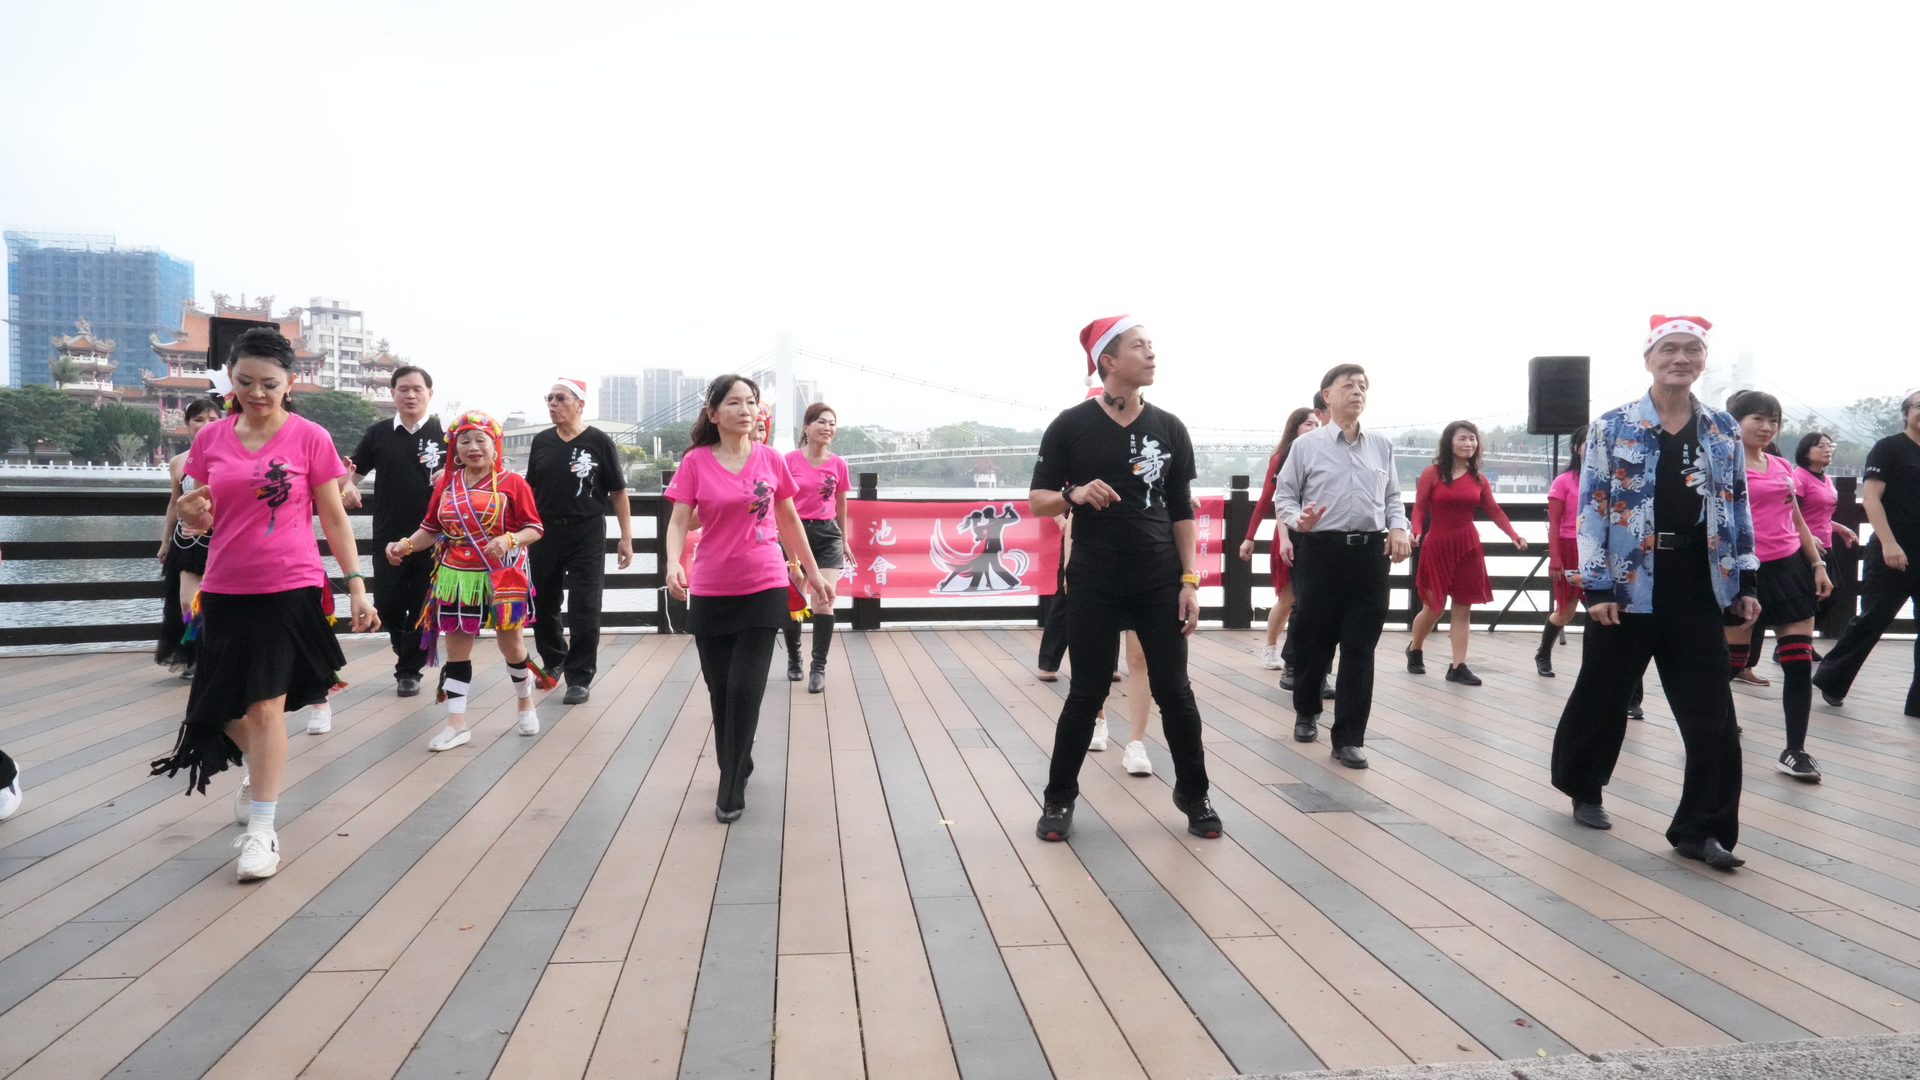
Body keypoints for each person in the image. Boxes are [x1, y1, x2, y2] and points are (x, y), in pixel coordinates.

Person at [150, 327, 379, 883]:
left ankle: (262, 830)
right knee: (221, 709)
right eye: (245, 381)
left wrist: (356, 584)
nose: (257, 392)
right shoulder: (211, 439)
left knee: (264, 708)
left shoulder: (309, 437)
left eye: (270, 384)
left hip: (288, 587)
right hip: (224, 588)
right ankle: (258, 769)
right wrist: (191, 517)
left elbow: (334, 517)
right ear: (230, 379)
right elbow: (201, 513)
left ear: (289, 383)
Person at [1549, 315, 1757, 871]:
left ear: (1703, 360)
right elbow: (1591, 508)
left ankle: (1703, 829)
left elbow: (1736, 505)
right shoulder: (1613, 426)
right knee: (1604, 694)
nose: (1680, 358)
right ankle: (1583, 785)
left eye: (1692, 349)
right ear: (1649, 359)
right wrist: (1596, 585)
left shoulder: (1721, 429)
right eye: (1669, 349)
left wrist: (1745, 579)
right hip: (1626, 583)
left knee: (1712, 714)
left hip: (1697, 581)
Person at [1028, 315, 1219, 842]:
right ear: (1108, 361)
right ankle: (1059, 799)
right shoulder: (1070, 425)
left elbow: (1181, 509)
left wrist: (1189, 580)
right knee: (1086, 691)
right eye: (1140, 346)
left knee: (1175, 691)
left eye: (1152, 345)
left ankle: (1194, 793)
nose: (1152, 354)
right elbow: (1038, 499)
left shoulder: (1169, 427)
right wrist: (1073, 494)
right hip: (1094, 577)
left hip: (1159, 578)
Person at [665, 375, 833, 822]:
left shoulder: (771, 459)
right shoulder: (695, 462)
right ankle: (738, 759)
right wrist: (673, 563)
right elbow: (679, 521)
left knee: (744, 688)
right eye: (734, 403)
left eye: (751, 402)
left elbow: (790, 521)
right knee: (720, 689)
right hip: (711, 588)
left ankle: (731, 785)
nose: (745, 410)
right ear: (713, 413)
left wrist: (813, 573)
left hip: (763, 584)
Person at [387, 410, 552, 751]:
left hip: (501, 573)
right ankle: (456, 723)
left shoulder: (513, 483)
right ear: (455, 448)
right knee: (456, 650)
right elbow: (430, 528)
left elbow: (534, 528)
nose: (473, 447)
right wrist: (405, 545)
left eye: (481, 440)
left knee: (512, 646)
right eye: (464, 441)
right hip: (455, 575)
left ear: (495, 446)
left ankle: (525, 702)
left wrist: (509, 539)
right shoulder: (446, 484)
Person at [1274, 364, 1410, 768]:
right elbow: (1284, 497)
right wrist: (1299, 521)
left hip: (1370, 556)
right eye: (1348, 385)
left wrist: (1398, 527)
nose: (1357, 391)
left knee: (1360, 646)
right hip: (1322, 551)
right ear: (1327, 396)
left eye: (1362, 386)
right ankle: (1306, 710)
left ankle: (1349, 737)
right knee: (1314, 640)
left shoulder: (1381, 445)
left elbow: (1393, 497)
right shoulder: (1306, 446)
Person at [1722, 391, 1832, 781]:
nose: (1768, 427)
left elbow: (1796, 519)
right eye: (1758, 419)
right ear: (1734, 422)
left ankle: (1795, 750)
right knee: (1733, 663)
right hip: (1743, 573)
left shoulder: (1783, 465)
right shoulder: (1722, 466)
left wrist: (1817, 564)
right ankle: (1713, 725)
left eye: (1774, 420)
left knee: (1798, 663)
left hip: (1789, 569)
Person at [526, 378, 633, 705]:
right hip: (545, 531)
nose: (553, 404)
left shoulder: (599, 441)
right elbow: (530, 490)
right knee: (544, 602)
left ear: (580, 404)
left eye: (560, 398)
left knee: (585, 605)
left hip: (587, 531)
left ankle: (580, 676)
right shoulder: (541, 441)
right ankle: (554, 659)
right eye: (549, 398)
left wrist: (626, 537)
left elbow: (618, 491)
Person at [342, 365, 445, 698]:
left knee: (421, 606)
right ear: (393, 393)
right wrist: (346, 486)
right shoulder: (378, 434)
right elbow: (351, 474)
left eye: (417, 389)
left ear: (430, 393)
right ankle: (410, 653)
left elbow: (473, 475)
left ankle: (409, 671)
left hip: (433, 538)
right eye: (403, 389)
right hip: (388, 536)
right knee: (387, 605)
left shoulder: (446, 436)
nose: (410, 395)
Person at [1814, 390, 1920, 715]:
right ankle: (1832, 679)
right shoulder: (1889, 448)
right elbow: (1871, 499)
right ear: (1906, 413)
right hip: (1893, 547)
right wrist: (1889, 543)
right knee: (1874, 617)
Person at [1407, 421, 1528, 685]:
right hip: (1437, 545)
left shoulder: (1479, 479)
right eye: (1462, 438)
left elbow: (1494, 510)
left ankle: (1457, 666)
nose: (1468, 443)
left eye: (1472, 439)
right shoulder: (1432, 473)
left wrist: (1514, 535)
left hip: (1468, 546)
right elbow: (1419, 507)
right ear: (1450, 442)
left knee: (1462, 608)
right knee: (1433, 608)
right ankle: (1415, 648)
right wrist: (1415, 530)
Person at [1239, 408, 1321, 678]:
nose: (1313, 428)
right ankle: (1271, 647)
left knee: (1310, 601)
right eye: (1308, 424)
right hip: (1288, 533)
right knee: (1288, 597)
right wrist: (1249, 537)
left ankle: (1301, 656)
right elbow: (1267, 499)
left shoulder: (1322, 454)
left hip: (1317, 534)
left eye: (1317, 424)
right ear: (1294, 428)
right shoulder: (1282, 457)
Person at [782, 403, 852, 692]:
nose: (827, 428)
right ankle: (794, 657)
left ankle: (818, 666)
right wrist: (793, 559)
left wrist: (844, 539)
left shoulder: (839, 464)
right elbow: (780, 507)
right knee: (795, 600)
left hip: (827, 535)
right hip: (794, 532)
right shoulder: (788, 461)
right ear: (806, 428)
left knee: (823, 599)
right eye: (821, 422)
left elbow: (841, 505)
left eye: (832, 423)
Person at [155, 397, 224, 677]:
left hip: (221, 539)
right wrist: (165, 541)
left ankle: (218, 654)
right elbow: (174, 503)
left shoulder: (229, 456)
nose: (205, 424)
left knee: (220, 601)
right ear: (187, 424)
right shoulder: (177, 462)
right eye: (198, 419)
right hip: (187, 541)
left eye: (212, 419)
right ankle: (196, 652)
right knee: (187, 603)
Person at [1793, 431, 1858, 659]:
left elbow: (1820, 514)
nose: (1827, 449)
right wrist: (1807, 536)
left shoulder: (1826, 479)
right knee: (1811, 596)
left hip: (1825, 544)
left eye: (1830, 446)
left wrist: (1840, 528)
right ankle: (1794, 644)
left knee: (1831, 593)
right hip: (1804, 546)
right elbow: (1790, 514)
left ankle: (1800, 641)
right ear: (1806, 451)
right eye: (1820, 446)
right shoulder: (1799, 478)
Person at [1537, 426, 1587, 677]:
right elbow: (1554, 523)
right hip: (1569, 548)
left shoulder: (1611, 479)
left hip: (1597, 551)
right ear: (1576, 448)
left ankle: (1597, 667)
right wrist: (1555, 557)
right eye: (1587, 443)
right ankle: (1543, 652)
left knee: (1600, 609)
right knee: (1566, 610)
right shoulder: (1564, 481)